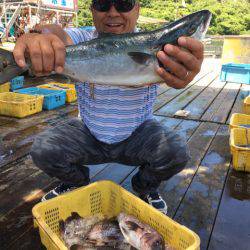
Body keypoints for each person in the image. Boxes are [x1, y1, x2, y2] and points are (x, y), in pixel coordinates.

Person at [13, 0, 204, 215]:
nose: (113, 12)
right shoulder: (82, 39)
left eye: (124, 4)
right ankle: (76, 181)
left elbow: (179, 71)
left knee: (176, 151)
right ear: (92, 10)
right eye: (103, 4)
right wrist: (41, 36)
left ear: (137, 8)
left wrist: (185, 73)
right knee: (43, 149)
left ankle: (145, 186)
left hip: (138, 135)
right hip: (89, 133)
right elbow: (57, 34)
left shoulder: (150, 42)